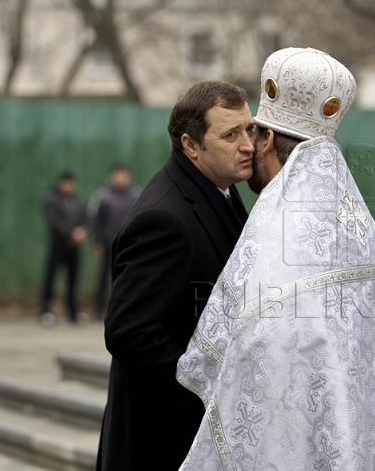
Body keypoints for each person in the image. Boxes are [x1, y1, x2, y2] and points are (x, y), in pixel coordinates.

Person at [177, 48, 375, 470]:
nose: (246, 146)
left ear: (268, 139)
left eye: (252, 134)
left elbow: (258, 345)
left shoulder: (277, 223)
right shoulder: (352, 221)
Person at [96, 81, 253, 471]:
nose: (248, 145)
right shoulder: (164, 219)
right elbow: (129, 331)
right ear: (191, 145)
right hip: (163, 443)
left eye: (249, 129)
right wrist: (203, 391)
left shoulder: (220, 189)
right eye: (230, 134)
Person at [88, 163, 140, 319]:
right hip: (108, 245)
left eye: (123, 175)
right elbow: (95, 220)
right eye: (117, 175)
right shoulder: (102, 196)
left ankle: (127, 312)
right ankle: (99, 310)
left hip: (129, 245)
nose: (120, 178)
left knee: (129, 279)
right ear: (111, 177)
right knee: (104, 279)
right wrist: (96, 241)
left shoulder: (136, 196)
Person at [39, 171, 88, 326]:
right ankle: (45, 311)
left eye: (70, 183)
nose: (67, 186)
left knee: (72, 280)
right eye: (64, 183)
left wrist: (82, 232)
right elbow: (54, 221)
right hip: (58, 245)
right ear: (60, 183)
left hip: (74, 247)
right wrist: (71, 233)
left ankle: (72, 312)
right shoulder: (52, 199)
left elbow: (86, 218)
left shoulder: (79, 199)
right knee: (51, 278)